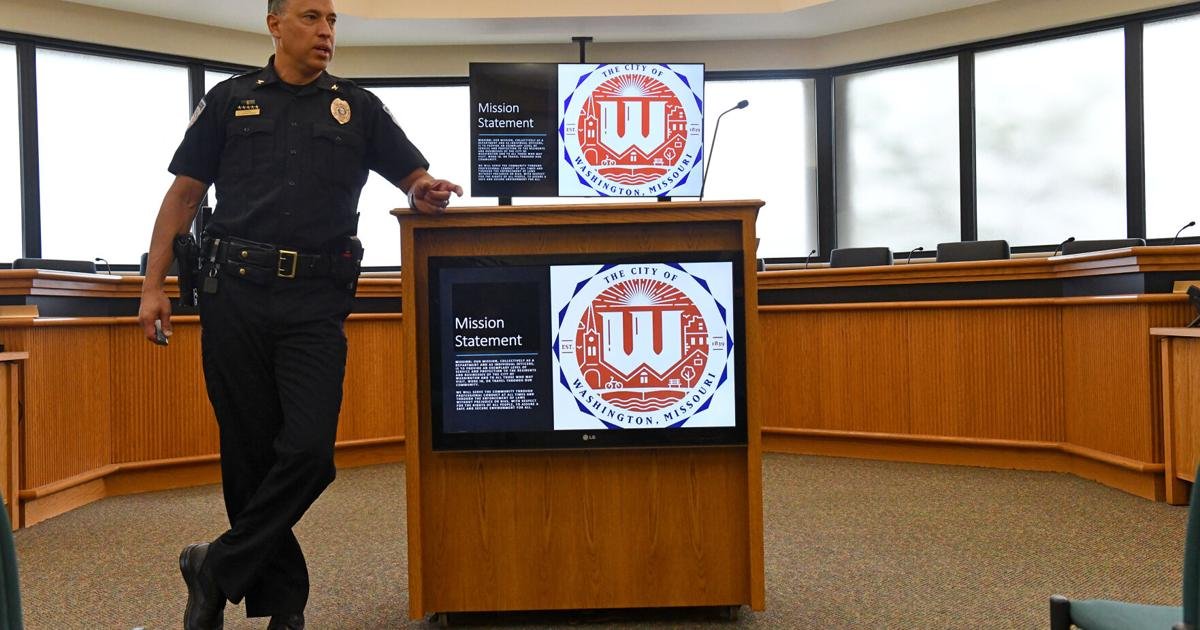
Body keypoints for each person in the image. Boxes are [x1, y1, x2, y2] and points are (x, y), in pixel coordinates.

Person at [136, 0, 461, 628]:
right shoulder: (230, 101)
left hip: (315, 301)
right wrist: (153, 286)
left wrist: (424, 189)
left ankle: (213, 566)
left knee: (310, 453)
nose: (326, 31)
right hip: (233, 293)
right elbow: (184, 195)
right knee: (248, 454)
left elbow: (413, 175)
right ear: (275, 24)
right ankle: (285, 608)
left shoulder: (357, 107)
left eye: (332, 21)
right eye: (312, 17)